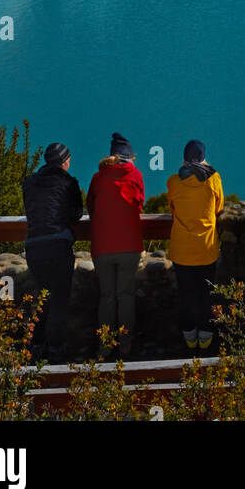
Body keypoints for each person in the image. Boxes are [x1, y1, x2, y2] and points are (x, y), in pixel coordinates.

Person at [22, 142, 84, 364]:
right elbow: (77, 214)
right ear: (65, 161)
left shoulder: (30, 182)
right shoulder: (69, 182)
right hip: (58, 245)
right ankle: (56, 352)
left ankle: (36, 347)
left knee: (42, 298)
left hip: (34, 247)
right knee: (58, 300)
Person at [86, 132, 145, 357]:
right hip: (129, 244)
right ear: (130, 157)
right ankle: (126, 343)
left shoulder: (97, 178)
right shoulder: (135, 175)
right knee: (126, 295)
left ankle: (105, 345)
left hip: (102, 245)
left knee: (107, 296)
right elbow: (139, 203)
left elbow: (90, 206)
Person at [167, 139, 224, 352]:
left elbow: (172, 208)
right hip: (206, 249)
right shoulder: (214, 180)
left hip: (182, 250)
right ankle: (207, 338)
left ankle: (190, 339)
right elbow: (219, 207)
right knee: (207, 294)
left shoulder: (174, 181)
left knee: (186, 295)